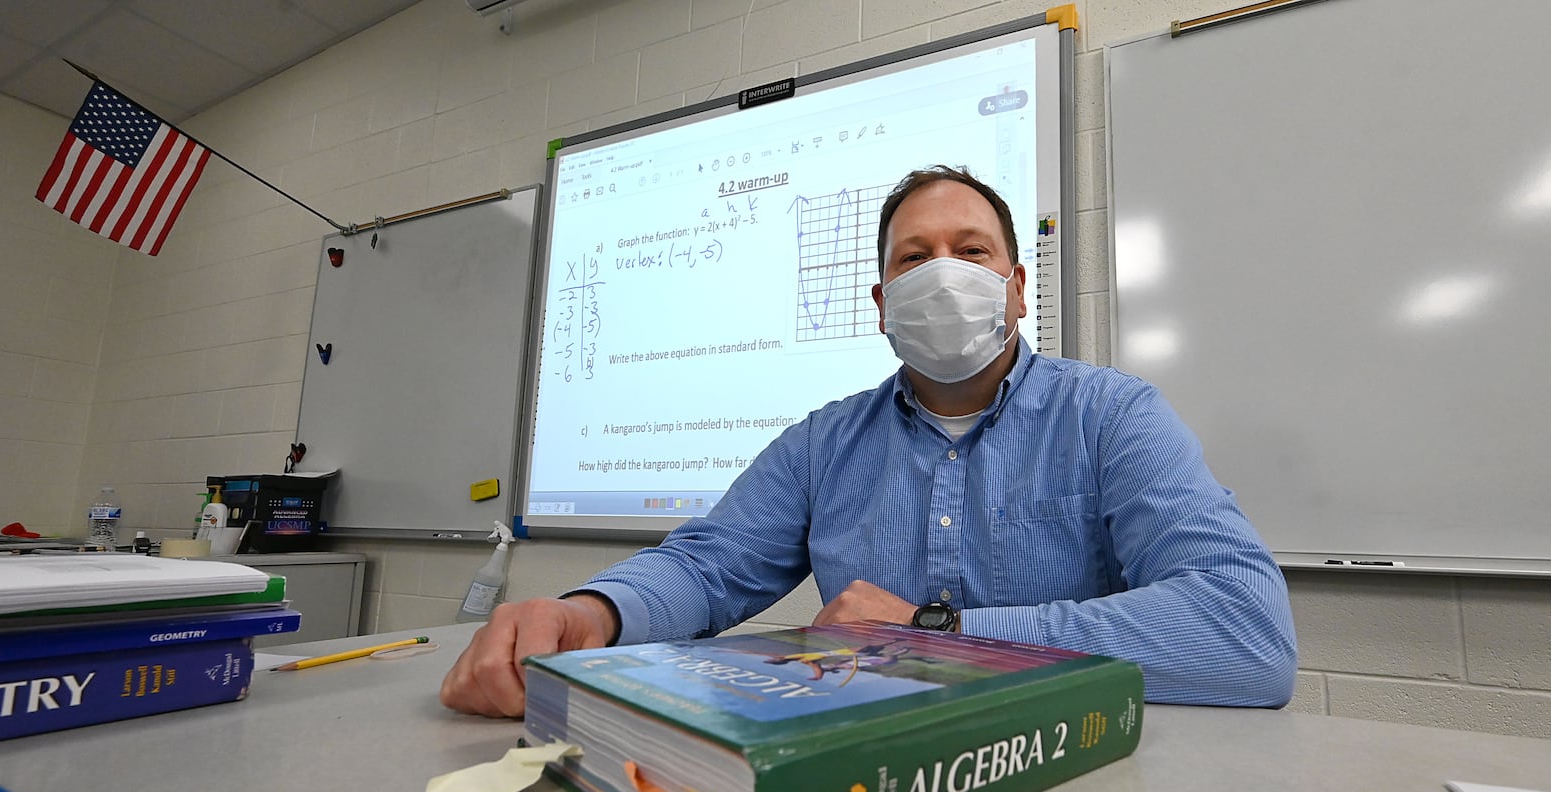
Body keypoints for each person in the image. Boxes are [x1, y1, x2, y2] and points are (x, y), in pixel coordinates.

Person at [441, 165, 1297, 718]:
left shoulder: (1111, 416)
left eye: (970, 251)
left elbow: (1247, 634)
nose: (942, 272)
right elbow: (708, 565)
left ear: (1017, 289)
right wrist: (589, 611)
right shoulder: (824, 443)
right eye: (913, 258)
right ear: (882, 304)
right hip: (860, 774)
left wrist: (936, 629)